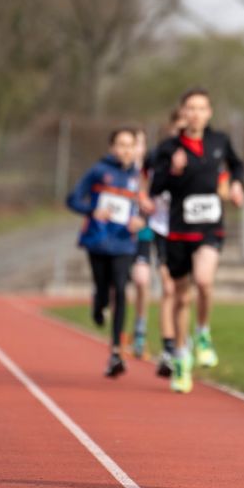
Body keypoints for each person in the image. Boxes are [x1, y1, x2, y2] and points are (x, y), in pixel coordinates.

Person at [150, 88, 244, 393]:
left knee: (204, 281)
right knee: (181, 298)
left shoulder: (219, 141)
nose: (195, 113)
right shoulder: (168, 148)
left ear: (209, 113)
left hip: (209, 227)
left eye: (201, 108)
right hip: (179, 229)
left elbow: (237, 165)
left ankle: (203, 333)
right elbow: (155, 186)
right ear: (183, 113)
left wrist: (237, 186)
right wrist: (174, 170)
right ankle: (181, 357)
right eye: (190, 108)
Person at [66, 127, 145, 377]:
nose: (125, 150)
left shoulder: (137, 176)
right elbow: (72, 199)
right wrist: (92, 211)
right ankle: (98, 304)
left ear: (135, 148)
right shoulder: (99, 171)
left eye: (130, 145)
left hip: (124, 243)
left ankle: (116, 351)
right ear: (112, 147)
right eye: (121, 145)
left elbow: (142, 208)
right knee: (103, 288)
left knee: (120, 289)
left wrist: (140, 221)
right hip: (98, 240)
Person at [142, 110, 184, 378]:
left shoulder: (201, 154)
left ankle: (184, 343)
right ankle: (169, 349)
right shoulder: (156, 155)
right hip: (162, 228)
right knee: (168, 288)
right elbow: (142, 180)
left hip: (191, 230)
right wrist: (142, 199)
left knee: (185, 292)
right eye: (178, 128)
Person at [129, 129, 153, 359]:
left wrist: (144, 217)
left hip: (143, 234)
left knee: (142, 280)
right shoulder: (116, 172)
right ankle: (117, 336)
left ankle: (140, 331)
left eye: (140, 143)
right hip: (119, 236)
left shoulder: (149, 173)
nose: (137, 148)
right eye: (133, 143)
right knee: (117, 286)